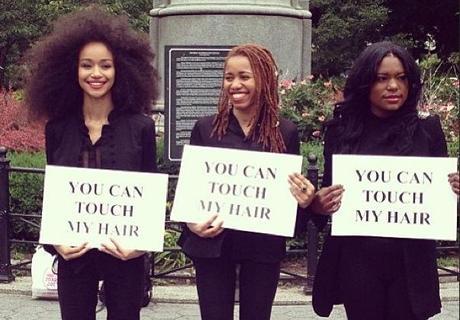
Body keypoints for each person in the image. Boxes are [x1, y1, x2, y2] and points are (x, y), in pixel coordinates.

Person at [24, 6, 158, 320]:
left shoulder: (141, 127)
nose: (96, 74)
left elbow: (149, 194)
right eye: (86, 65)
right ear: (71, 70)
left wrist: (140, 247)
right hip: (75, 254)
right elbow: (54, 196)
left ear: (121, 69)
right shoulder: (57, 128)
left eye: (105, 66)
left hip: (124, 255)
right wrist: (56, 244)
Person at [310, 41, 459, 320]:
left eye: (401, 78)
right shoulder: (342, 131)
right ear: (365, 83)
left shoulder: (428, 130)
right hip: (358, 261)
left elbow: (441, 199)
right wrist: (319, 204)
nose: (393, 86)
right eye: (382, 78)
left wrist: (454, 191)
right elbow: (326, 198)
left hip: (410, 263)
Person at [177, 43, 315, 320]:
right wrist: (192, 223)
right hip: (214, 245)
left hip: (261, 246)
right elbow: (190, 191)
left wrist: (304, 199)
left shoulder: (284, 132)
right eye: (229, 77)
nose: (235, 84)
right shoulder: (206, 128)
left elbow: (289, 199)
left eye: (244, 76)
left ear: (263, 80)